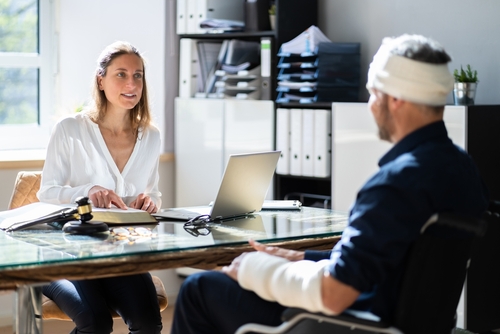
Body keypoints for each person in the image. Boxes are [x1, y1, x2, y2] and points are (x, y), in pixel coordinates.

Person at [170, 34, 490, 334]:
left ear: (394, 99)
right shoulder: (464, 170)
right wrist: (297, 257)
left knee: (199, 290)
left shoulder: (395, 183)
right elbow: (378, 261)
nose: (370, 105)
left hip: (356, 324)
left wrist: (255, 268)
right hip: (401, 321)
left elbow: (335, 294)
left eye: (373, 93)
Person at [37, 41, 163, 334]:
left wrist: (150, 201)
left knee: (147, 322)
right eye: (121, 74)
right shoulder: (70, 129)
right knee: (95, 322)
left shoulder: (151, 136)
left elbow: (154, 192)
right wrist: (87, 191)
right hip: (66, 255)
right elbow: (47, 192)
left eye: (138, 75)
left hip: (119, 254)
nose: (131, 83)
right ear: (101, 79)